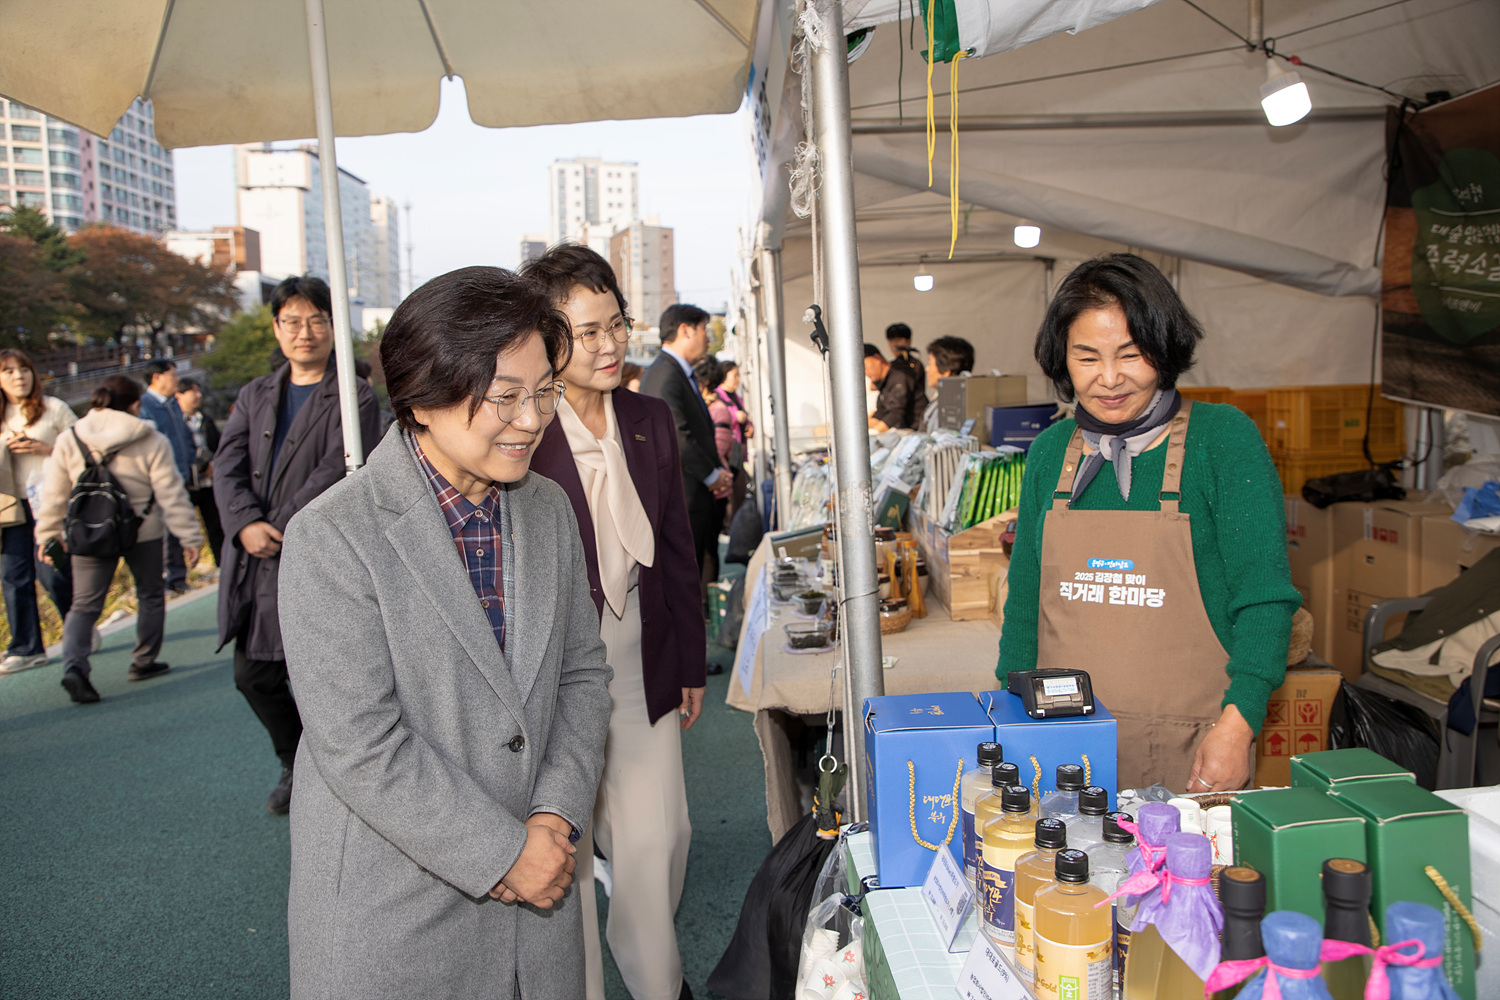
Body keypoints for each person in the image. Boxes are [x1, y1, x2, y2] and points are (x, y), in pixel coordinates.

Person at [277, 265, 612, 1000]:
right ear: (423, 399)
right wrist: (503, 852)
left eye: (545, 392)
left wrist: (552, 814)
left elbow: (582, 675)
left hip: (540, 891)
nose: (533, 419)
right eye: (505, 397)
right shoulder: (333, 535)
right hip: (396, 909)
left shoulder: (549, 508)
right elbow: (359, 742)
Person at [994, 253, 1300, 793]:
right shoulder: (1050, 452)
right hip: (1062, 740)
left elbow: (1265, 599)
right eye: (1087, 357)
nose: (1110, 379)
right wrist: (1005, 712)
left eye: (1131, 354)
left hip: (1195, 743)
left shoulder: (1221, 440)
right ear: (1063, 359)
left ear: (1164, 348)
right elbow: (1024, 601)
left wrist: (1239, 725)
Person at [523, 244, 707, 1000]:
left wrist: (690, 660)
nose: (608, 345)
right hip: (551, 660)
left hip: (641, 648)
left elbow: (677, 545)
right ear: (547, 340)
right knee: (559, 840)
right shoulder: (523, 426)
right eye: (586, 332)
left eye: (616, 324)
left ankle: (656, 978)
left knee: (661, 833)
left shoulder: (647, 416)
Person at [213, 275, 381, 814]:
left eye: (316, 320)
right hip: (254, 558)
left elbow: (339, 468)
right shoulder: (254, 394)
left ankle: (332, 777)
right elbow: (225, 465)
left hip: (311, 553)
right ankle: (295, 761)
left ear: (333, 327)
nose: (304, 332)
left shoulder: (354, 394)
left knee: (320, 674)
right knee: (253, 675)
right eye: (292, 321)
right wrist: (245, 523)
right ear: (276, 328)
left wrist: (281, 525)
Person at [35, 376, 203, 703]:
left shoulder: (71, 437)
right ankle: (143, 661)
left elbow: (54, 492)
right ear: (135, 404)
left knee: (83, 604)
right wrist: (189, 537)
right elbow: (171, 493)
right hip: (142, 529)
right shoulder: (150, 437)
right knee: (150, 594)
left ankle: (74, 667)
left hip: (89, 530)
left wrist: (48, 534)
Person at [640, 303, 732, 604]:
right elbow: (678, 435)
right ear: (685, 330)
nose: (708, 338)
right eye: (704, 330)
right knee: (682, 580)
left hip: (694, 493)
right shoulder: (665, 374)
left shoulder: (676, 372)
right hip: (683, 494)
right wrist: (711, 474)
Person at [0, 349, 77, 674]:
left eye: (24, 369)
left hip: (49, 503)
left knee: (54, 573)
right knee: (13, 577)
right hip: (10, 507)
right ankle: (27, 647)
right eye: (9, 371)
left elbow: (83, 449)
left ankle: (78, 626)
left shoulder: (54, 408)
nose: (18, 376)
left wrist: (47, 449)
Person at [139, 360, 196, 594]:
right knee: (163, 531)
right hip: (159, 479)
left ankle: (178, 577)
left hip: (180, 473)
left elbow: (184, 437)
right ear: (157, 377)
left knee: (176, 527)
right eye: (173, 375)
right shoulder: (145, 407)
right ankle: (166, 579)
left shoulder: (172, 405)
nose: (177, 379)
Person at [175, 378, 224, 568]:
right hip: (187, 482)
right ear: (179, 395)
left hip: (209, 481)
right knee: (181, 527)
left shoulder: (205, 419)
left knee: (215, 525)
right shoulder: (175, 422)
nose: (198, 395)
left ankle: (221, 564)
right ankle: (181, 570)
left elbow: (220, 446)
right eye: (193, 391)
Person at [864, 343, 924, 431]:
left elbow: (895, 413)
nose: (866, 373)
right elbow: (880, 412)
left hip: (917, 431)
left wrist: (875, 432)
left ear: (877, 358)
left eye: (865, 367)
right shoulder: (885, 381)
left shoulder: (900, 375)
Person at [922, 335, 975, 432]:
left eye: (930, 363)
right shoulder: (943, 398)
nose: (927, 369)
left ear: (946, 371)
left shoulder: (949, 407)